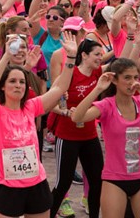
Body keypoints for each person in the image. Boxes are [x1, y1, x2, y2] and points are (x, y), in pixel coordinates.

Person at [0, 33, 77, 218]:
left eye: (22, 82)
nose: (18, 85)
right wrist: (7, 56)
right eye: (12, 81)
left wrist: (71, 58)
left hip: (36, 184)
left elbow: (60, 88)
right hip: (8, 186)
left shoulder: (31, 107)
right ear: (3, 86)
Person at [72, 58, 140, 218]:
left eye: (135, 77)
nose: (132, 83)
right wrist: (97, 89)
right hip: (114, 179)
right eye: (127, 78)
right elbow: (77, 117)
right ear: (114, 80)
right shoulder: (107, 105)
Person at [49, 39, 104, 218]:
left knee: (97, 181)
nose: (100, 58)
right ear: (84, 55)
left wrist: (131, 38)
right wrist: (65, 112)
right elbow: (49, 103)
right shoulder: (70, 74)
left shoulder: (98, 73)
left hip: (89, 136)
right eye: (97, 54)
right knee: (63, 183)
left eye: (101, 54)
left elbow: (122, 60)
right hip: (67, 136)